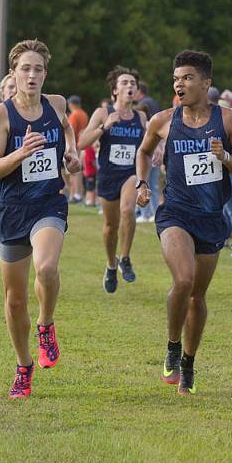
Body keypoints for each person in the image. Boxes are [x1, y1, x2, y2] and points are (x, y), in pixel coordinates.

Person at [136, 50, 232, 395]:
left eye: (187, 77)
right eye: (176, 79)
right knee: (183, 279)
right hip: (175, 212)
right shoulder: (163, 120)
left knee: (197, 297)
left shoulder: (228, 120)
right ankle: (173, 345)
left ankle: (188, 362)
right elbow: (144, 152)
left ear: (206, 83)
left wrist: (226, 158)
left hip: (211, 217)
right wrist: (142, 183)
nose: (180, 84)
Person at [0, 39, 81, 400]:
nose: (32, 74)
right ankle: (24, 366)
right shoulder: (2, 115)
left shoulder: (56, 104)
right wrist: (22, 153)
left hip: (48, 204)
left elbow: (67, 136)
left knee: (47, 268)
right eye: (26, 68)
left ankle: (46, 324)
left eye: (38, 68)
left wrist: (70, 156)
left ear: (45, 73)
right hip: (12, 209)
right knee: (14, 300)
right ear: (14, 73)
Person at [78, 66, 147, 293]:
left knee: (128, 210)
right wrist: (103, 127)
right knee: (110, 226)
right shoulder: (103, 112)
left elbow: (147, 146)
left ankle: (125, 257)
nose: (130, 86)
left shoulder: (140, 117)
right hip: (108, 175)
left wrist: (156, 150)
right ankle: (111, 265)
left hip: (130, 173)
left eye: (133, 84)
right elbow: (82, 142)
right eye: (125, 83)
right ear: (115, 90)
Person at [135, 82, 163, 223]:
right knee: (154, 185)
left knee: (143, 183)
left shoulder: (143, 123)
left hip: (147, 157)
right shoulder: (153, 104)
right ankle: (154, 213)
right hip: (155, 156)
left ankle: (145, 214)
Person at [66, 96, 89, 203]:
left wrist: (70, 148)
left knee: (74, 172)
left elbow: (71, 131)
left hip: (76, 146)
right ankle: (79, 193)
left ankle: (76, 194)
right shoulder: (84, 114)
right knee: (79, 171)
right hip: (83, 145)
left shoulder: (74, 115)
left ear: (71, 104)